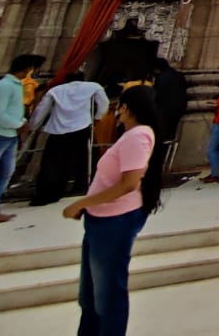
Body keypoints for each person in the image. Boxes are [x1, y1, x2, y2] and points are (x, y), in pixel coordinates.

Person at [62, 85, 165, 336]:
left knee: (108, 294)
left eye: (118, 106)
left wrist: (81, 203)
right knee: (90, 296)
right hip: (101, 219)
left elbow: (129, 183)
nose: (115, 112)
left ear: (126, 107)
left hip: (115, 221)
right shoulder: (131, 135)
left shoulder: (138, 136)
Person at [28, 71, 109, 205]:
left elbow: (42, 109)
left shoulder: (56, 90)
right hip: (81, 126)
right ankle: (81, 185)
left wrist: (33, 125)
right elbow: (103, 103)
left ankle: (49, 190)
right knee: (83, 157)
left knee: (53, 161)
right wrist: (97, 117)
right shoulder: (92, 86)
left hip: (57, 128)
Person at [0, 55, 38, 223]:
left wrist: (21, 122)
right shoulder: (5, 86)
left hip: (9, 136)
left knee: (3, 175)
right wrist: (18, 124)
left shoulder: (16, 85)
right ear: (27, 68)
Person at [150, 57, 187, 142]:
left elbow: (157, 95)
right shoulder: (179, 75)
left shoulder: (161, 78)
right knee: (172, 133)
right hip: (179, 108)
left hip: (165, 109)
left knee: (163, 133)